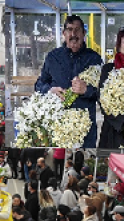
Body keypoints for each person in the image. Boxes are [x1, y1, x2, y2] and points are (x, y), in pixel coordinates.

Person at [35, 15, 103, 147]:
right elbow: (38, 85)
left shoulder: (94, 58)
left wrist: (87, 90)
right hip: (58, 127)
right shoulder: (53, 57)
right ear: (64, 33)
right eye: (70, 29)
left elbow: (104, 94)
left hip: (86, 131)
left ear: (84, 33)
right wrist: (50, 90)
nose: (73, 34)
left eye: (78, 30)